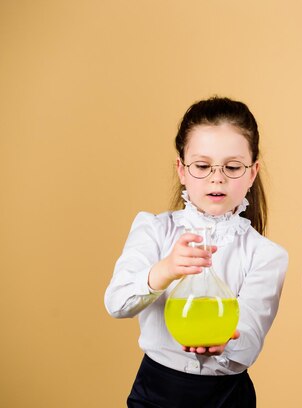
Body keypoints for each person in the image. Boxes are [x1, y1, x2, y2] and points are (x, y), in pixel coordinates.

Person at [105, 96, 288, 408]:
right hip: (156, 390)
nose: (217, 177)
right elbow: (117, 303)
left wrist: (225, 344)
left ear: (252, 173)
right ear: (182, 170)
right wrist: (165, 270)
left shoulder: (266, 255)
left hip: (228, 396)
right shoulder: (153, 230)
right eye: (202, 166)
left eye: (232, 166)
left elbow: (249, 343)